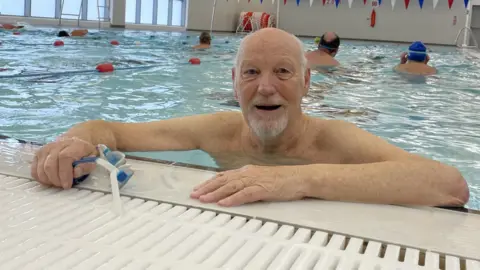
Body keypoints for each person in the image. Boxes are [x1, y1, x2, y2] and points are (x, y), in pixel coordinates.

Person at [30, 28, 469, 208]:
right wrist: (76, 140)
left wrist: (299, 180)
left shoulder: (334, 140)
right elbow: (107, 130)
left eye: (282, 72)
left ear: (307, 82)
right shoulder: (219, 131)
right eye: (252, 73)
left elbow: (449, 184)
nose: (265, 87)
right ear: (235, 79)